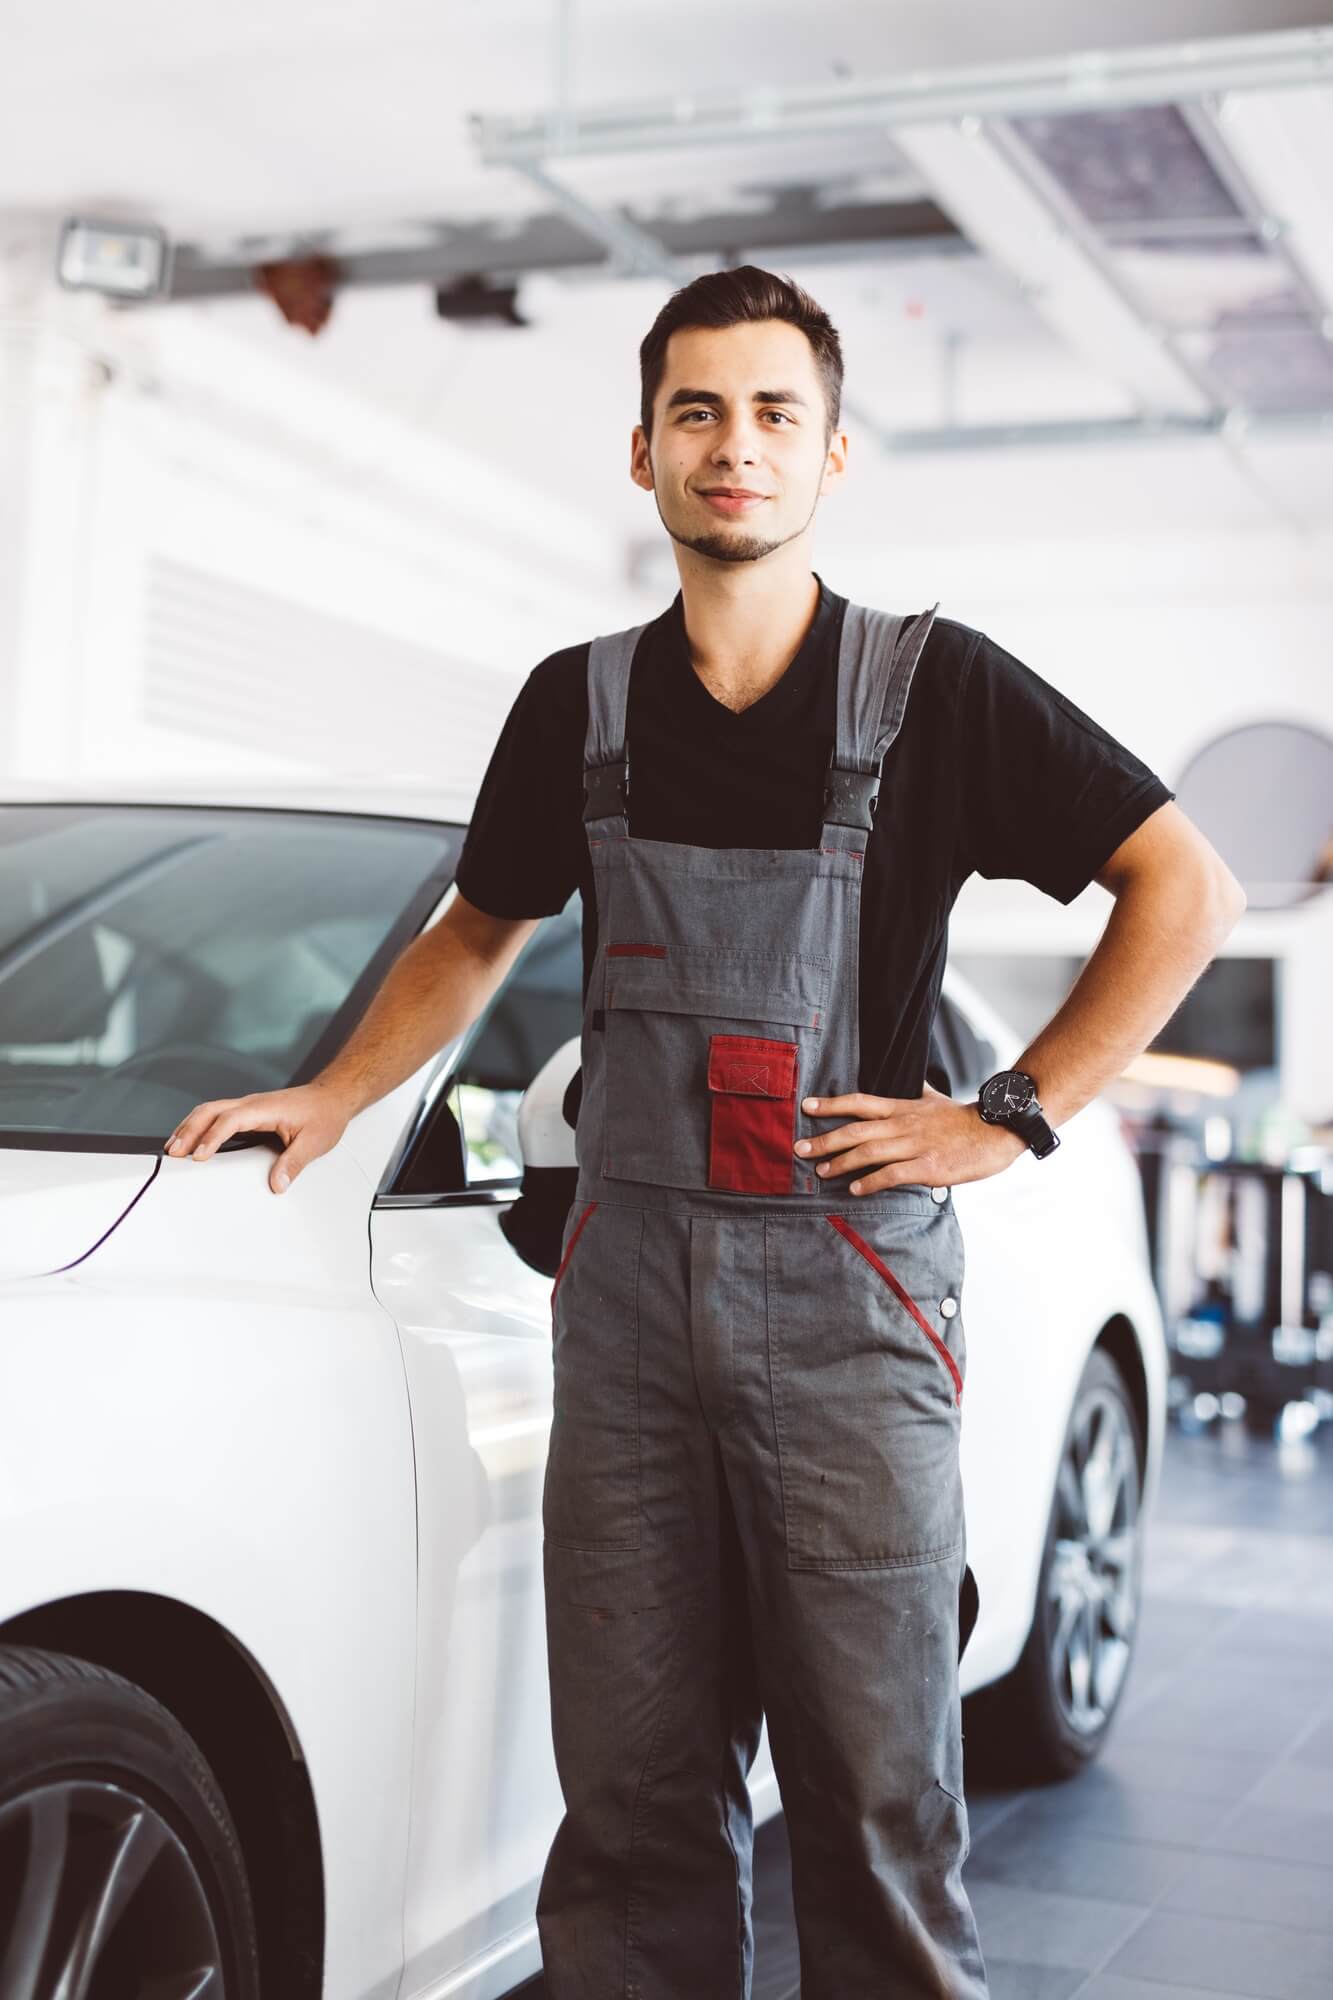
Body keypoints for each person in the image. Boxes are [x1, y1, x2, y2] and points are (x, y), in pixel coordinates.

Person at [166, 264, 1247, 1998]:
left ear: (830, 455)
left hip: (849, 1307)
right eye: (696, 412)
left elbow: (1185, 888)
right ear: (643, 452)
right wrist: (336, 1087)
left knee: (874, 1799)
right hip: (627, 1312)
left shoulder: (936, 691)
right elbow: (478, 927)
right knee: (632, 1801)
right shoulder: (577, 704)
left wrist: (1010, 1115)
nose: (732, 445)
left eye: (770, 414)